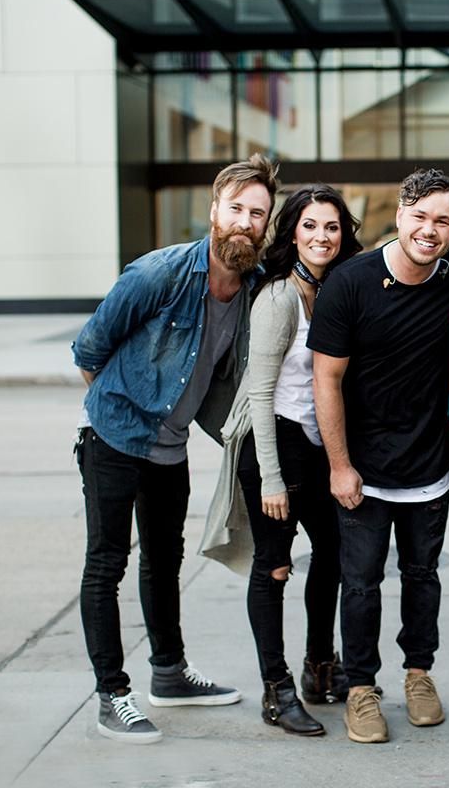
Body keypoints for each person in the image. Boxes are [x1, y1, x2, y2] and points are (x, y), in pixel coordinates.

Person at [72, 154, 278, 743]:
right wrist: (124, 412)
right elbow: (89, 351)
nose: (245, 221)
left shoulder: (254, 288)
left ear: (266, 226)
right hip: (113, 440)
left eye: (257, 213)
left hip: (171, 447)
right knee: (106, 566)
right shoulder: (157, 274)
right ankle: (113, 694)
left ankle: (169, 673)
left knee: (164, 562)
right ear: (214, 210)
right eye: (236, 208)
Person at [308, 168, 449, 744]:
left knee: (422, 577)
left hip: (430, 466)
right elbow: (326, 379)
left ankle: (418, 674)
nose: (430, 231)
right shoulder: (350, 283)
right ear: (400, 214)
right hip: (362, 468)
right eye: (421, 217)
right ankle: (361, 687)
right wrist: (339, 465)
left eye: (444, 222)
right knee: (359, 583)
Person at [201, 185, 363, 736]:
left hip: (315, 442)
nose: (322, 237)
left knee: (335, 551)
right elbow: (262, 394)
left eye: (332, 227)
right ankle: (276, 689)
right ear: (292, 232)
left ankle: (320, 665)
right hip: (270, 442)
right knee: (273, 567)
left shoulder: (335, 290)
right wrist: (272, 478)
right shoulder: (278, 297)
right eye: (311, 226)